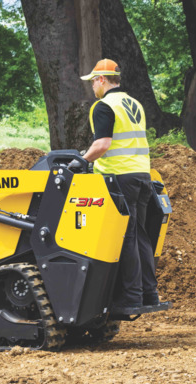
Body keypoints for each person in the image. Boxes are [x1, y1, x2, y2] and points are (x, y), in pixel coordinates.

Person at [78, 58, 159, 309]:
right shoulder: (134, 103)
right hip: (142, 175)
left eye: (93, 81)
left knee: (126, 236)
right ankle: (149, 294)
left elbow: (102, 144)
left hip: (119, 177)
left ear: (102, 79)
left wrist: (80, 162)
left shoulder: (104, 106)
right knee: (141, 237)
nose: (92, 87)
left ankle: (131, 296)